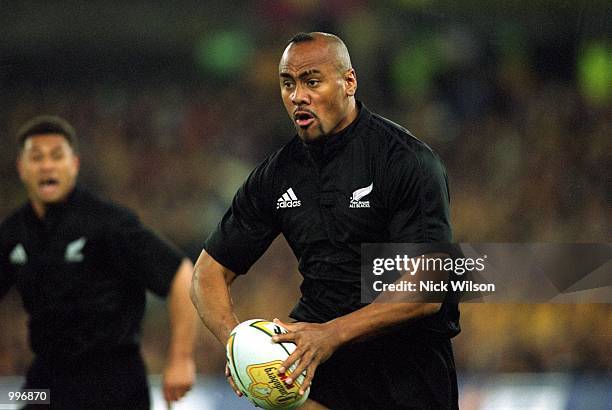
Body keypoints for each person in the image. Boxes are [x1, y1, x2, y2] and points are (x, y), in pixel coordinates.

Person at [191, 32, 460, 409]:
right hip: (322, 369)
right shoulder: (277, 175)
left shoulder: (405, 162)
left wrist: (332, 334)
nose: (298, 96)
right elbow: (207, 274)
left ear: (349, 82)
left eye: (311, 81)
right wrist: (237, 345)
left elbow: (427, 287)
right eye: (288, 84)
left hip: (406, 369)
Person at [0, 115, 197, 409]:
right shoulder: (12, 232)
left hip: (114, 381)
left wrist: (181, 359)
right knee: (17, 399)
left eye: (56, 156)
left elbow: (180, 274)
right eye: (36, 157)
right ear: (21, 168)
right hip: (45, 382)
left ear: (74, 165)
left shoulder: (108, 223)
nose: (46, 166)